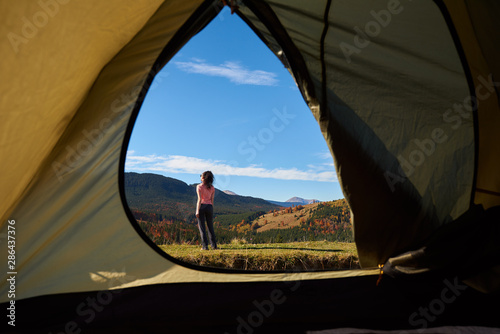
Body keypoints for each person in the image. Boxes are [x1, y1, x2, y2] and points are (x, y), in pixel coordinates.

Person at [196, 171, 218, 250]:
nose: (200, 177)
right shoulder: (212, 188)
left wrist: (197, 211)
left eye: (200, 176)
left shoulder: (199, 186)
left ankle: (205, 247)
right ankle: (214, 246)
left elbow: (199, 199)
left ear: (203, 178)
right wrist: (211, 209)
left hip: (202, 206)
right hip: (209, 207)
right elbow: (212, 201)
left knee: (202, 228)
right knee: (210, 227)